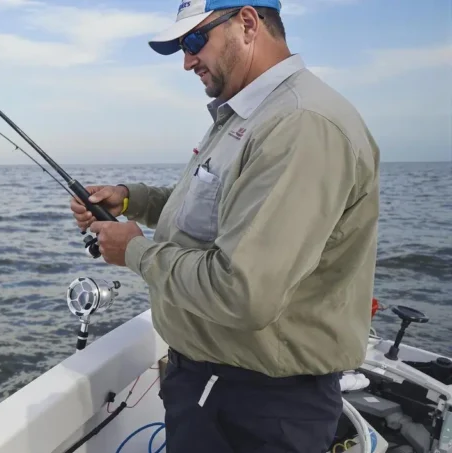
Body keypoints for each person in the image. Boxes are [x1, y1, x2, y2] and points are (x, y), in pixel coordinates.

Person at [69, 0, 381, 452]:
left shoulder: (299, 124)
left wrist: (134, 251)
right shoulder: (249, 116)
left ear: (248, 23)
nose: (187, 61)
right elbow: (218, 209)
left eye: (195, 41)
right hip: (216, 391)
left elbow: (244, 292)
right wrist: (131, 198)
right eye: (182, 47)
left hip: (257, 409)